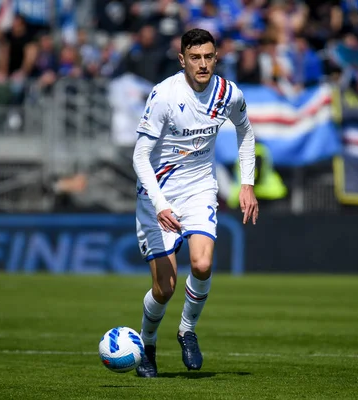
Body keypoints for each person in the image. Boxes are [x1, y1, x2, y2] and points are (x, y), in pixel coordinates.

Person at [132, 28, 258, 378]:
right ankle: (148, 344)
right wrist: (159, 204)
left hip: (200, 189)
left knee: (202, 265)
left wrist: (247, 183)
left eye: (208, 57)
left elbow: (246, 132)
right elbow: (140, 157)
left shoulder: (228, 93)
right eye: (195, 57)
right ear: (182, 59)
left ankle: (186, 330)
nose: (203, 64)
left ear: (216, 57)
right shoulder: (165, 96)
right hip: (157, 196)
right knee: (165, 287)